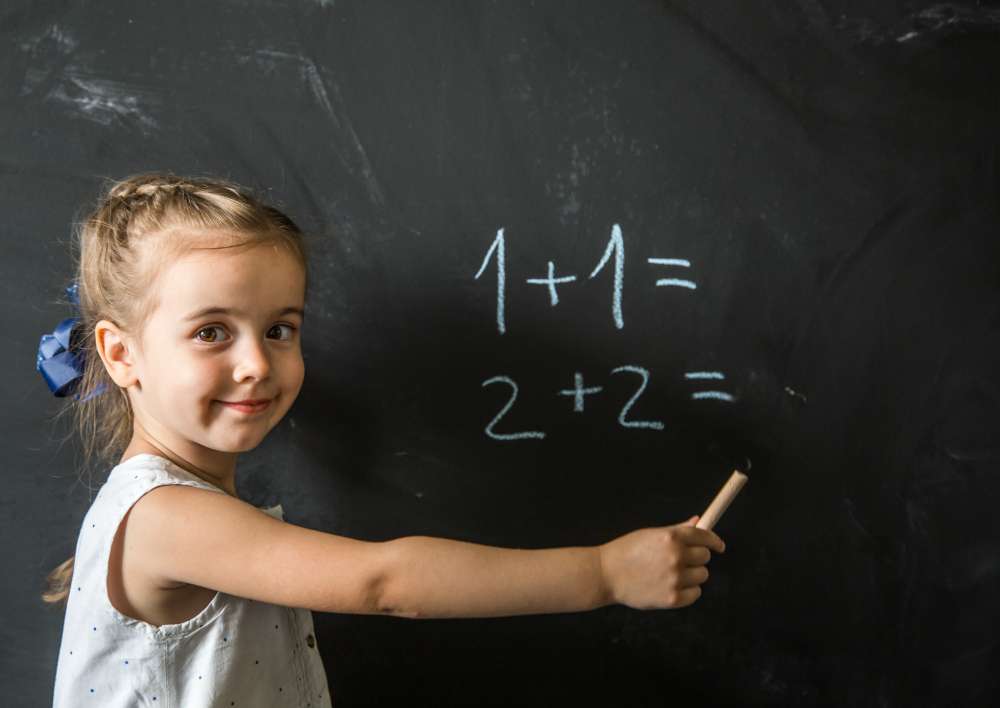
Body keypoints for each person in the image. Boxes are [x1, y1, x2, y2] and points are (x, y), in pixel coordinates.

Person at [40, 171, 726, 707]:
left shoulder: (182, 501)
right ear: (121, 354)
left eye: (280, 328)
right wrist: (604, 574)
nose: (256, 362)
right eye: (212, 331)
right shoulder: (167, 515)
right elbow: (386, 582)